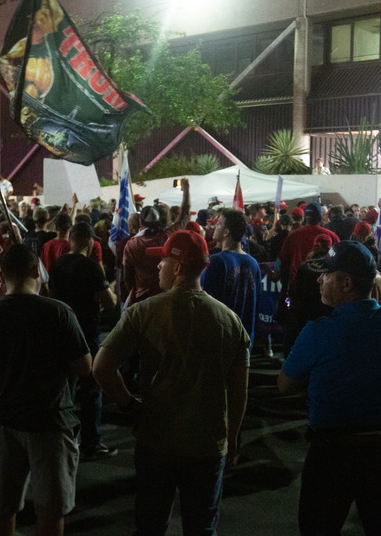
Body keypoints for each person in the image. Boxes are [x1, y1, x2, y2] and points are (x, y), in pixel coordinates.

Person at [93, 230, 250, 536]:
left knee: (150, 525)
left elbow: (101, 367)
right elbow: (239, 388)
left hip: (156, 441)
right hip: (207, 444)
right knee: (202, 527)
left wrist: (128, 404)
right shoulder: (230, 321)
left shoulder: (143, 311)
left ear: (177, 267)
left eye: (163, 260)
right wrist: (232, 437)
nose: (157, 267)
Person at [278, 241, 381, 536]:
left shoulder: (319, 331)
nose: (319, 279)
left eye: (326, 274)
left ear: (345, 282)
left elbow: (285, 384)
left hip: (332, 454)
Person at [0, 244, 93, 536]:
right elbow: (84, 366)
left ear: (2, 273)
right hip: (50, 421)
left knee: (3, 506)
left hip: (3, 420)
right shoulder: (58, 312)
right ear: (36, 270)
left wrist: (3, 375)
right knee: (50, 510)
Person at [48, 222, 120, 460]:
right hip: (86, 332)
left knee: (64, 389)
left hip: (61, 332)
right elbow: (109, 302)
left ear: (71, 239)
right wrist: (112, 289)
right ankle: (92, 442)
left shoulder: (57, 265)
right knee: (91, 389)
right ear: (89, 242)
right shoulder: (91, 267)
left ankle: (62, 438)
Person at [201, 208, 261, 347]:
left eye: (220, 223)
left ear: (227, 232)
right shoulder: (253, 263)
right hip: (245, 339)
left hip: (221, 338)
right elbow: (257, 302)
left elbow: (207, 302)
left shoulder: (217, 261)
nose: (215, 226)